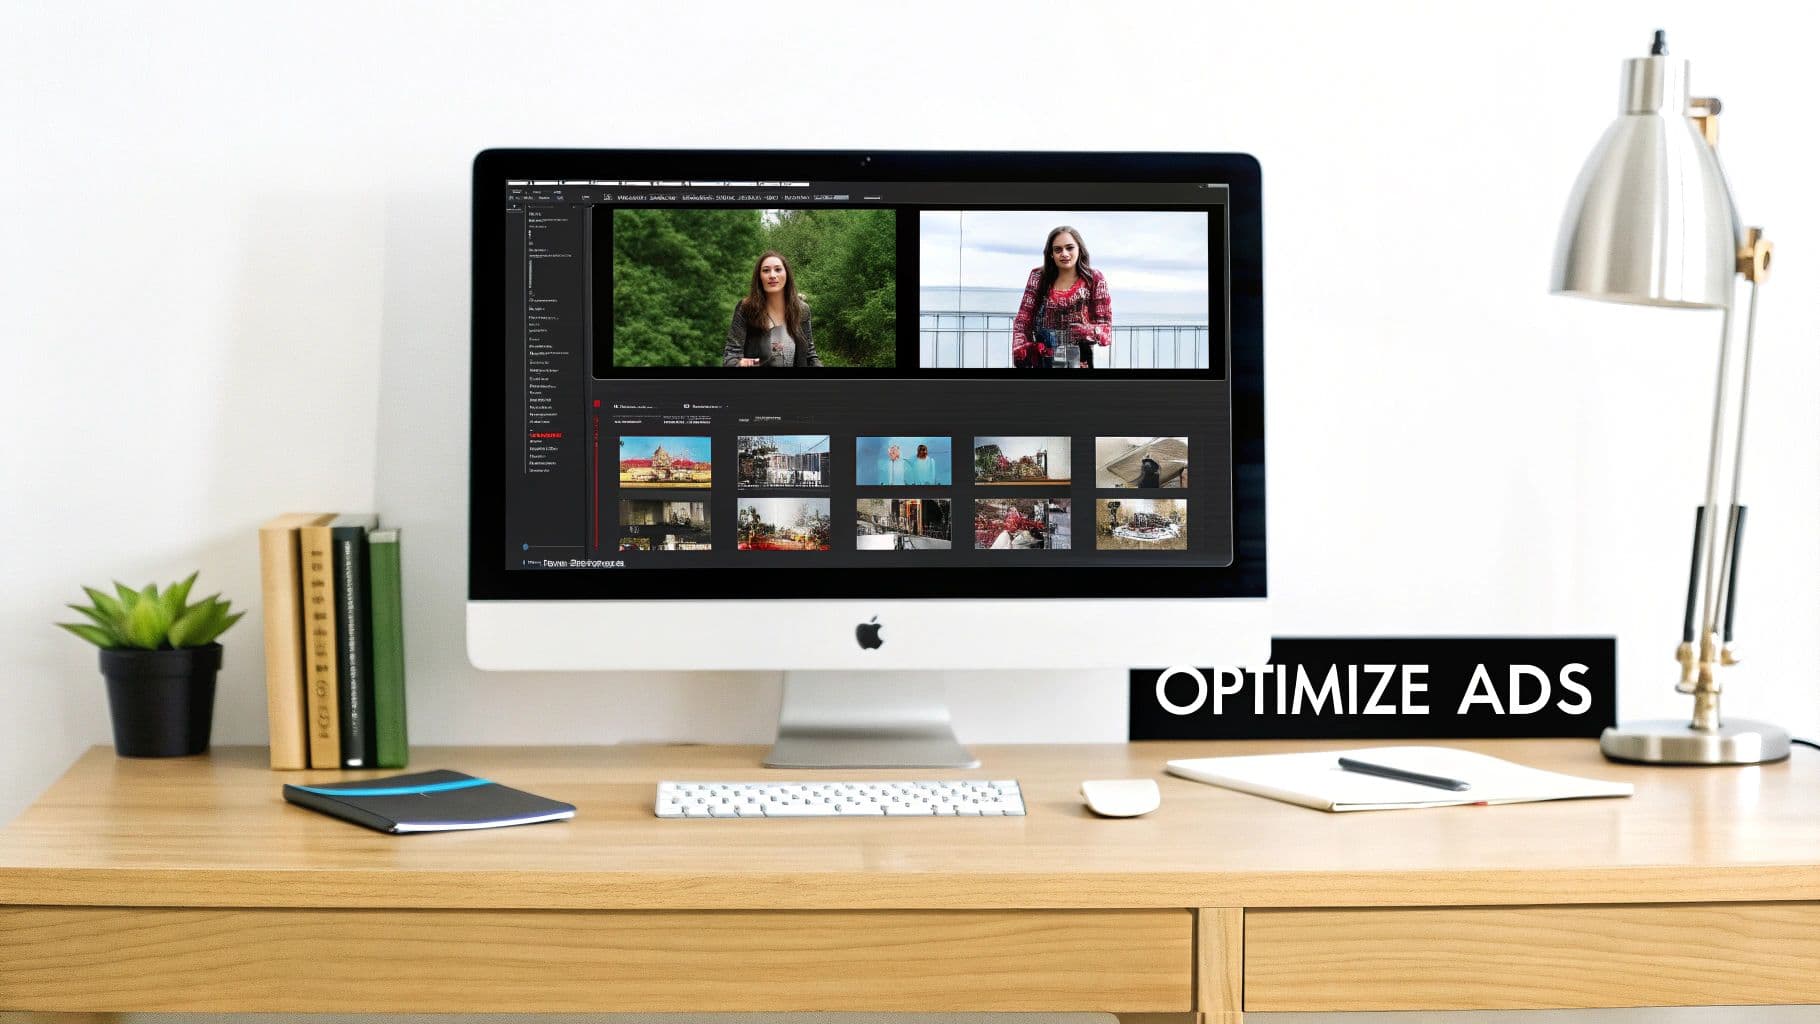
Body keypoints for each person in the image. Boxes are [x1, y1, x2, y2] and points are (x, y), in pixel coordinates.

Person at [1009, 225, 1112, 369]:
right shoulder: (1038, 277)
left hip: (1080, 361)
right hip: (1043, 358)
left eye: (1069, 248)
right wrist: (1023, 350)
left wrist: (1086, 331)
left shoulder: (1094, 279)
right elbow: (1022, 320)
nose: (1064, 253)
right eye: (1058, 249)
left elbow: (1105, 328)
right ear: (1051, 254)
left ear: (1079, 249)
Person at [723, 251, 822, 367]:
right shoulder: (746, 308)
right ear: (759, 277)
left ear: (787, 274)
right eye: (766, 270)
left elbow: (810, 354)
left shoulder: (802, 310)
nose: (772, 275)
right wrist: (751, 363)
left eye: (778, 269)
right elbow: (730, 358)